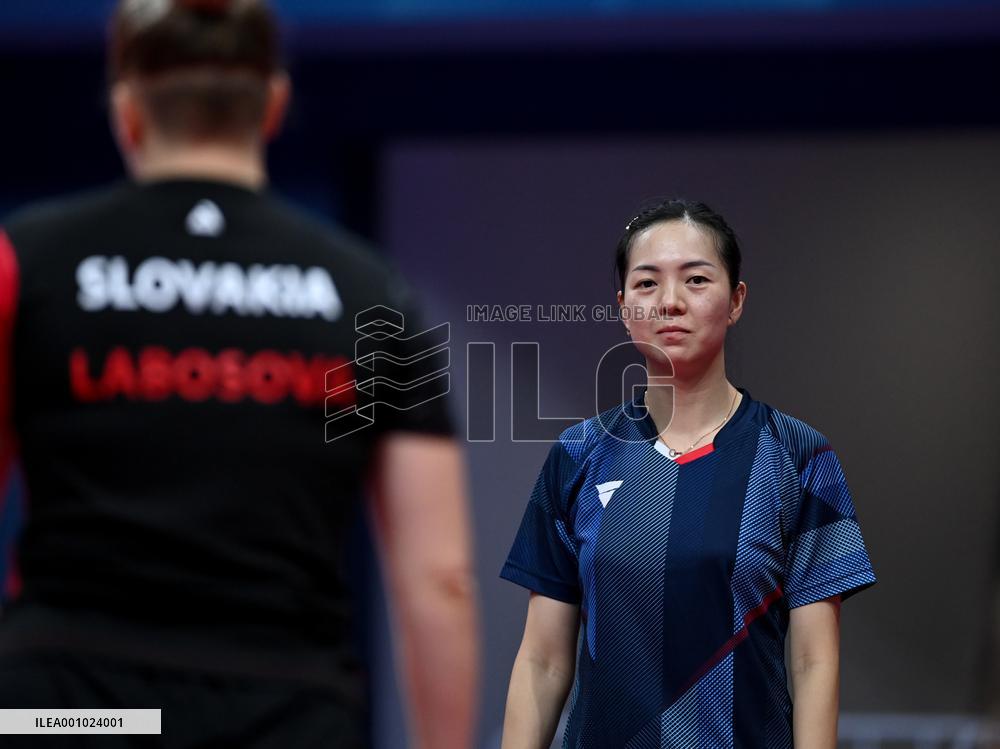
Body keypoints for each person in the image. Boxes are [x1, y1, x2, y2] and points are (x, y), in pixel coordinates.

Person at [0, 1, 479, 747]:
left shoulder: (25, 262)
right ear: (274, 105)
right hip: (288, 714)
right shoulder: (367, 291)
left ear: (128, 110)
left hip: (66, 712)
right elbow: (440, 577)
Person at [499, 199, 877, 748]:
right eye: (647, 284)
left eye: (696, 280)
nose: (670, 303)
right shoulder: (579, 455)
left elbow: (814, 661)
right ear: (624, 306)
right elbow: (541, 661)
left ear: (736, 301)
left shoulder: (799, 455)